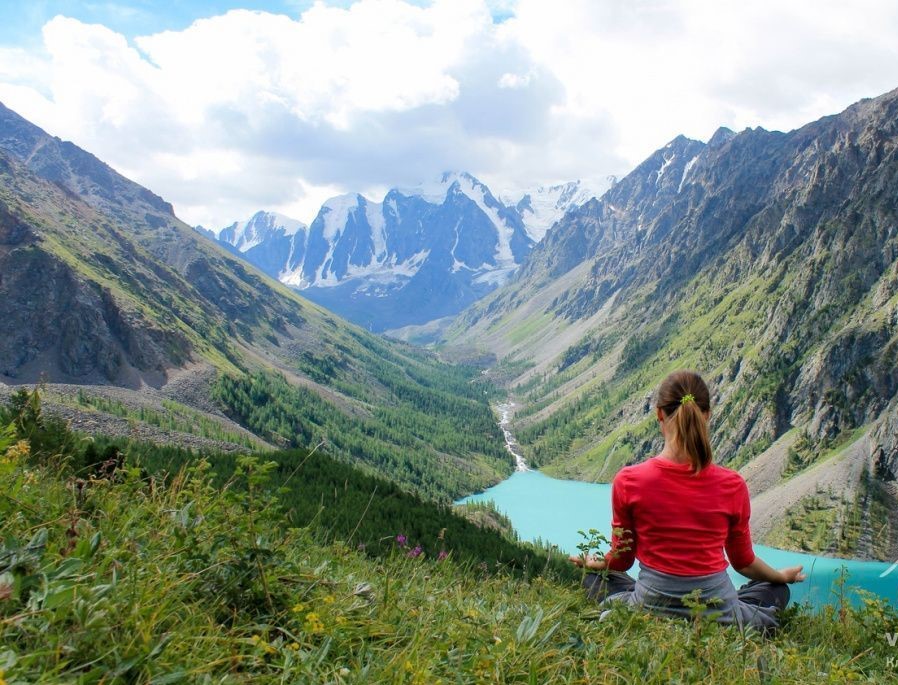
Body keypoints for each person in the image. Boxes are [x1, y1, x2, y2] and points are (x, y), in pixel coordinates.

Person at [569, 370, 805, 631]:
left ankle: (659, 608)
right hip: (719, 610)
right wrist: (781, 576)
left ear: (659, 414)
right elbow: (743, 562)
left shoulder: (629, 480)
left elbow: (622, 560)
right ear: (707, 415)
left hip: (650, 604)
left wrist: (596, 563)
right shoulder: (732, 485)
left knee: (593, 579)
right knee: (774, 590)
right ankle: (711, 611)